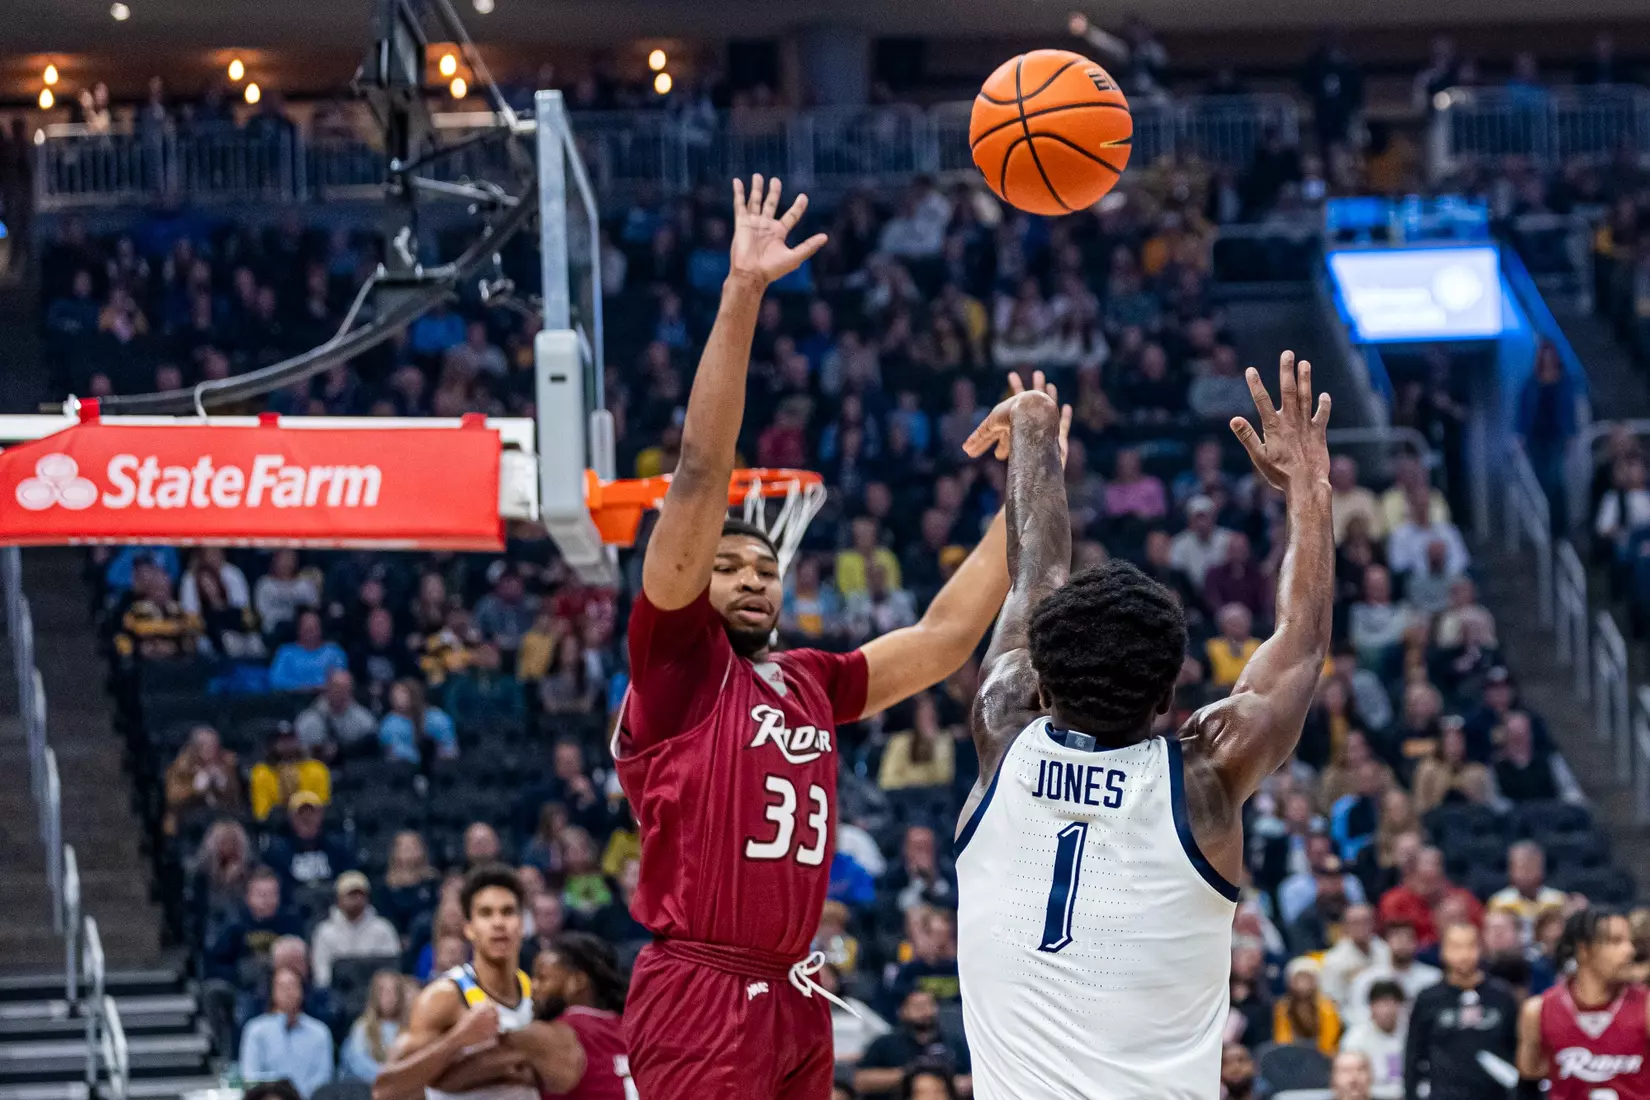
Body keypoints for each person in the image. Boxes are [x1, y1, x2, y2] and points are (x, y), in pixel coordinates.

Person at [615, 176, 1028, 1100]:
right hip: (699, 988)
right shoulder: (678, 666)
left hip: (796, 990)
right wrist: (744, 293)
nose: (754, 575)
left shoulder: (807, 680)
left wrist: (1031, 484)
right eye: (729, 565)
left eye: (765, 567)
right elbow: (696, 474)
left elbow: (945, 634)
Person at [955, 352, 1335, 1098]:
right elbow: (1301, 642)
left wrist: (1034, 423)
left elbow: (1037, 571)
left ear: (1042, 675)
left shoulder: (1003, 730)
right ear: (1170, 695)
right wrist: (1309, 491)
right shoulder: (1203, 785)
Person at [372, 867, 537, 1100]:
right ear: (468, 928)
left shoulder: (538, 994)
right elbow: (386, 1089)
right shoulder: (443, 996)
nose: (499, 923)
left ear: (522, 924)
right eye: (486, 913)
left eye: (508, 912)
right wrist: (458, 1039)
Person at [1518, 908, 1650, 1100]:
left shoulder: (1646, 1007)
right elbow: (1528, 1080)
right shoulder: (1538, 1011)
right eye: (1615, 941)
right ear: (1584, 950)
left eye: (1630, 942)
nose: (1629, 950)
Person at [1405, 922, 1520, 1100]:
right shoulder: (1428, 998)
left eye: (1471, 946)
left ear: (1481, 949)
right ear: (1443, 951)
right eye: (1456, 947)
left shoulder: (1502, 996)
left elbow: (1516, 1049)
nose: (1464, 954)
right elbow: (1414, 1054)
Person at [526, 933, 634, 1100]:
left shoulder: (559, 1034)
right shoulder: (632, 1030)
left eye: (542, 978)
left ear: (578, 982)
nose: (533, 986)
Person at [855, 989, 970, 1100]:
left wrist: (953, 1083)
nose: (924, 1011)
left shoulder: (954, 1042)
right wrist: (912, 1077)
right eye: (917, 1006)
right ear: (902, 1011)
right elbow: (860, 1080)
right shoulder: (885, 1043)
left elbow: (974, 1075)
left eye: (929, 1005)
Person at [240, 967, 335, 1098]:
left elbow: (323, 1079)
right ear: (273, 992)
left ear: (302, 991)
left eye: (292, 986)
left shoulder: (320, 1032)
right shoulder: (255, 1030)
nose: (288, 992)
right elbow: (251, 1077)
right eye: (282, 987)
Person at [311, 871, 401, 988]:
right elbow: (322, 974)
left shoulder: (383, 928)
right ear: (339, 898)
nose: (356, 900)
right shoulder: (325, 932)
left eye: (360, 895)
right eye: (351, 895)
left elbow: (392, 969)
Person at [163, 724, 242, 836]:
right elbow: (173, 798)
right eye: (206, 745)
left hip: (219, 823)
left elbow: (235, 800)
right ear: (195, 748)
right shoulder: (180, 768)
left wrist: (223, 784)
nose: (212, 749)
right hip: (187, 824)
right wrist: (197, 788)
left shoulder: (226, 765)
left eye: (214, 745)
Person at [1339, 980, 1408, 1099]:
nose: (1387, 1010)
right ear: (1371, 1007)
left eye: (1392, 1003)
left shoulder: (1410, 1034)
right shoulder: (1356, 1037)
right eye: (1381, 1004)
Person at [340, 971, 411, 1082]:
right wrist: (385, 1074)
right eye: (384, 992)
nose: (390, 997)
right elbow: (358, 1063)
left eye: (394, 991)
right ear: (375, 996)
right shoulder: (362, 1027)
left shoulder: (409, 1028)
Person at [269, 609, 349, 692]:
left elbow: (342, 680)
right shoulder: (285, 652)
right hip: (293, 699)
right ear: (299, 630)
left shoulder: (334, 651)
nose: (310, 633)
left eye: (313, 629)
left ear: (320, 629)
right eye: (307, 629)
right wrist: (305, 688)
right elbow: (276, 681)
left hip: (327, 699)